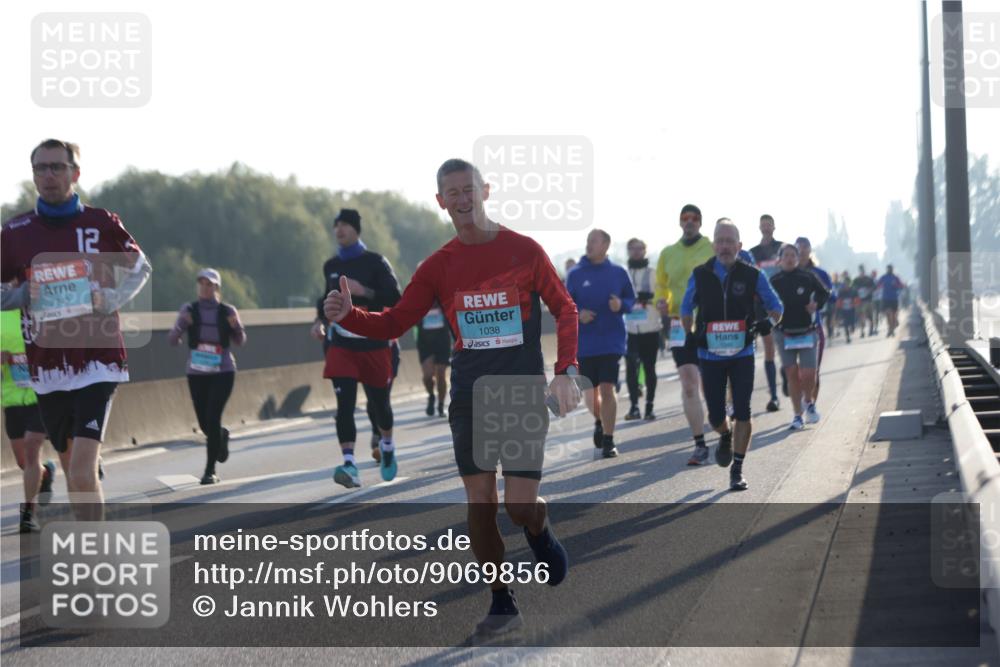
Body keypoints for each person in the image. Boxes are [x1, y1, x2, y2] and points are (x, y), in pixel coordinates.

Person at [324, 158, 580, 637]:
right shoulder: (438, 266)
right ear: (441, 201)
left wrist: (566, 371)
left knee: (518, 506)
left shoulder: (523, 250)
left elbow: (564, 308)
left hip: (522, 392)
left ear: (486, 191)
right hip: (469, 395)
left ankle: (537, 526)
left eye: (469, 189)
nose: (463, 199)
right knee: (480, 502)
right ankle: (502, 601)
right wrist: (349, 316)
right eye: (453, 193)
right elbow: (396, 321)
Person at [1, 139, 151, 519]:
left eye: (57, 167)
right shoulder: (15, 232)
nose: (48, 175)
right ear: (33, 175)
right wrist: (22, 294)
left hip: (98, 360)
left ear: (75, 173)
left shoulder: (101, 223)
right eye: (41, 168)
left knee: (83, 471)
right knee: (74, 473)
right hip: (47, 368)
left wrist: (111, 298)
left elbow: (140, 268)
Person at [680, 220, 783, 491]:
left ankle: (737, 469)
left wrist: (768, 323)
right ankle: (724, 434)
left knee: (743, 410)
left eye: (729, 241)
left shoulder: (753, 274)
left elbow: (776, 306)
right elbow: (686, 307)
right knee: (715, 415)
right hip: (709, 353)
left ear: (739, 245)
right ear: (714, 245)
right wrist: (689, 332)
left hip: (742, 352)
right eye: (720, 241)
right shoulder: (700, 274)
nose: (724, 246)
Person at [311, 208, 402, 488]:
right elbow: (326, 301)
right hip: (342, 345)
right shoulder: (331, 266)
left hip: (373, 344)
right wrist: (319, 321)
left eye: (345, 225)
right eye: (336, 225)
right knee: (344, 406)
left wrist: (364, 291)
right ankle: (349, 464)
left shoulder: (375, 262)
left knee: (379, 406)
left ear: (356, 229)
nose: (339, 229)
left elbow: (395, 297)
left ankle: (387, 445)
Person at [167, 269, 246, 484]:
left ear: (217, 288)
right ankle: (220, 435)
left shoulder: (227, 311)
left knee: (212, 416)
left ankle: (210, 471)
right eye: (201, 283)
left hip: (223, 371)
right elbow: (173, 339)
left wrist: (236, 327)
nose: (204, 287)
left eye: (209, 284)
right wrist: (182, 325)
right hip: (197, 372)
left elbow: (240, 340)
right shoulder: (189, 309)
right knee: (205, 424)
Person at [654, 204, 716, 465]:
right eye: (685, 218)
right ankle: (700, 444)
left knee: (713, 384)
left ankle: (722, 419)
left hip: (709, 322)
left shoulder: (712, 247)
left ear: (700, 222)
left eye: (694, 218)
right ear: (680, 222)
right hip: (679, 323)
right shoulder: (668, 253)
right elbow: (661, 285)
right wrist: (661, 301)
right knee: (689, 385)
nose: (689, 221)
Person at [567, 229, 635, 458]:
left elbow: (630, 299)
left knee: (607, 388)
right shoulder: (575, 274)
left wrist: (621, 305)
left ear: (606, 244)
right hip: (585, 344)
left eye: (593, 241)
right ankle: (599, 420)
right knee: (590, 394)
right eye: (588, 241)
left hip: (611, 341)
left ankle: (609, 439)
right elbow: (565, 306)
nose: (589, 244)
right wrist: (578, 315)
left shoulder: (618, 272)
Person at [2, 305, 56, 532]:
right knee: (23, 462)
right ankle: (46, 472)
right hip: (12, 398)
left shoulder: (39, 311)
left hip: (40, 395)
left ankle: (28, 515)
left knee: (32, 446)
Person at [770, 245, 830, 430]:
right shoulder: (774, 280)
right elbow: (762, 300)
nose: (789, 258)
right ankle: (797, 415)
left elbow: (824, 292)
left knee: (809, 373)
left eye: (793, 255)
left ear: (797, 258)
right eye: (786, 255)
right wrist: (769, 314)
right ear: (780, 259)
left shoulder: (807, 276)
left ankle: (808, 401)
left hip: (807, 331)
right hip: (783, 333)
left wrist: (816, 304)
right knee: (792, 374)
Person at [749, 214, 785, 412]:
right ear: (759, 227)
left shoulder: (782, 248)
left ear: (774, 226)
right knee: (769, 347)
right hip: (760, 305)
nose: (766, 227)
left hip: (781, 303)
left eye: (769, 224)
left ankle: (786, 373)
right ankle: (773, 395)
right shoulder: (753, 253)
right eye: (763, 224)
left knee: (784, 347)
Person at [623, 238, 661, 422]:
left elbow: (662, 297)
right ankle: (634, 407)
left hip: (650, 328)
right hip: (630, 330)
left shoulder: (653, 273)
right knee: (631, 369)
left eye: (640, 248)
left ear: (645, 250)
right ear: (628, 251)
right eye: (633, 248)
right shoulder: (623, 274)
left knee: (649, 368)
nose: (636, 252)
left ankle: (649, 407)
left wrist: (649, 299)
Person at [795, 238, 834, 407]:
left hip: (814, 328)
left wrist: (816, 303)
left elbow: (831, 295)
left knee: (812, 371)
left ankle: (811, 405)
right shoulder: (788, 273)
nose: (802, 250)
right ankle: (800, 406)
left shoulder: (820, 273)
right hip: (790, 330)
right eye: (799, 247)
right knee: (795, 372)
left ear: (810, 250)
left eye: (805, 247)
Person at [416, 291, 452, 417]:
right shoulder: (418, 297)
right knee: (427, 376)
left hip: (442, 341)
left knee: (441, 375)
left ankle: (441, 405)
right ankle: (431, 395)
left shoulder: (443, 295)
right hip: (425, 342)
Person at [876, 265, 906, 337]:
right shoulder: (883, 277)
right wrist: (879, 286)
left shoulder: (895, 277)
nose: (889, 270)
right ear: (887, 269)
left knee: (893, 315)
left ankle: (892, 327)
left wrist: (896, 285)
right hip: (886, 298)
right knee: (888, 314)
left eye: (890, 269)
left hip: (894, 298)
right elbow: (877, 285)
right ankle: (890, 329)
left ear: (892, 269)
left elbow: (901, 286)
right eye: (888, 269)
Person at [852, 265, 876, 338]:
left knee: (870, 317)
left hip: (868, 300)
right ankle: (862, 331)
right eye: (860, 270)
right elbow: (852, 289)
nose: (861, 271)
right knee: (861, 316)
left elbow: (874, 287)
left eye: (862, 270)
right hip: (859, 301)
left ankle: (871, 330)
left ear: (864, 271)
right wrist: (856, 292)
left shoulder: (868, 279)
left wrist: (869, 290)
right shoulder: (856, 280)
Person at [836, 272, 857, 343]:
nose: (846, 285)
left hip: (852, 310)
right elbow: (838, 301)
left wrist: (854, 304)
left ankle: (853, 327)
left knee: (852, 322)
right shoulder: (841, 292)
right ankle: (847, 337)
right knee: (845, 324)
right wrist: (838, 311)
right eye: (845, 284)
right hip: (844, 310)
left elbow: (857, 300)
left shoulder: (853, 291)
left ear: (850, 284)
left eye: (847, 284)